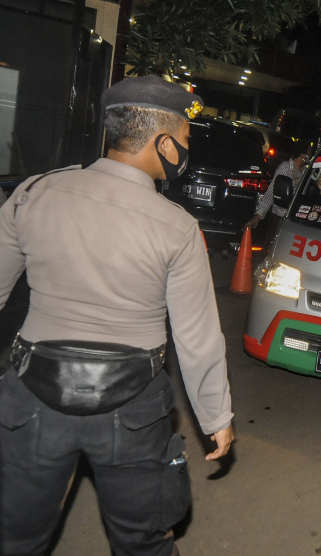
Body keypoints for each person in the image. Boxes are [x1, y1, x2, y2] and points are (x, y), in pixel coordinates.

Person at [0, 75, 234, 556]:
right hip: (134, 410)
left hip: (32, 394)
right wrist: (216, 415)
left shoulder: (33, 193)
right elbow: (197, 338)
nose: (186, 154)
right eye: (185, 142)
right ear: (163, 142)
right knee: (142, 541)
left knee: (17, 538)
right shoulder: (177, 227)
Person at [246, 141, 310, 229]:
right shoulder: (285, 168)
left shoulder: (307, 171)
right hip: (280, 217)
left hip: (298, 217)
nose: (311, 154)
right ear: (303, 155)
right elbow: (271, 192)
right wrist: (258, 216)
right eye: (309, 151)